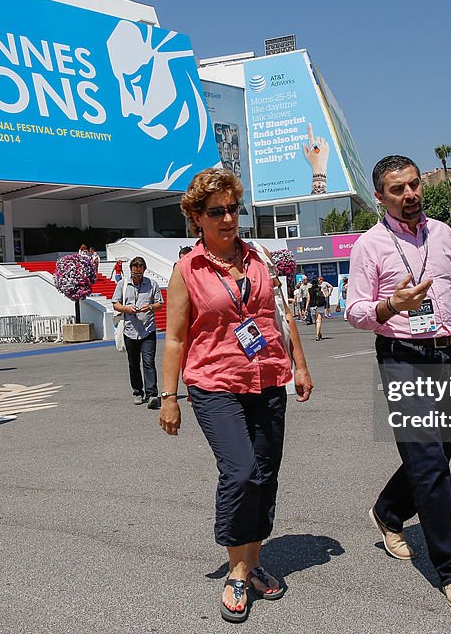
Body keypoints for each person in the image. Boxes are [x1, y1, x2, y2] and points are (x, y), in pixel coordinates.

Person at [346, 155, 451, 613]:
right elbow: (355, 311)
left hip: (444, 353)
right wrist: (390, 305)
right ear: (381, 196)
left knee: (438, 452)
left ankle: (389, 512)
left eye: (413, 185)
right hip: (401, 358)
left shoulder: (443, 233)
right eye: (397, 189)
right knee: (430, 464)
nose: (410, 194)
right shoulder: (370, 245)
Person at [158, 168, 313, 623]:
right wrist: (169, 396)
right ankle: (236, 571)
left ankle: (255, 560)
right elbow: (173, 338)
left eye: (232, 209)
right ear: (196, 217)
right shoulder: (187, 270)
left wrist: (300, 366)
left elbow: (279, 316)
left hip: (268, 379)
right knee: (241, 471)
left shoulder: (260, 257)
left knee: (265, 474)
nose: (228, 218)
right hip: (214, 383)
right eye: (216, 211)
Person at [113, 257, 163, 409]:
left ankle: (152, 394)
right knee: (133, 363)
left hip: (148, 329)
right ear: (131, 271)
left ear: (144, 270)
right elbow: (115, 304)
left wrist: (150, 307)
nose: (137, 277)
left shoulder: (152, 284)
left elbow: (159, 304)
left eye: (140, 273)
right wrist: (126, 309)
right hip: (130, 330)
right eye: (135, 273)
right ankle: (137, 392)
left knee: (149, 362)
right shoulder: (123, 284)